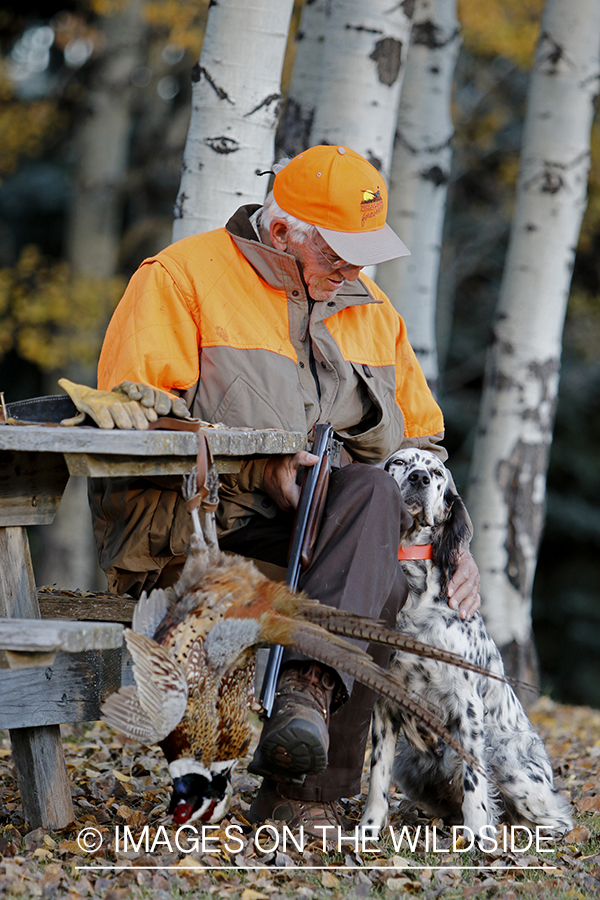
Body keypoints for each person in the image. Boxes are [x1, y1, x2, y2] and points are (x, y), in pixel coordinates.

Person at [89, 145, 481, 833]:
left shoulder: (373, 309)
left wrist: (456, 542)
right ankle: (306, 797)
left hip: (329, 522)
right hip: (206, 522)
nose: (353, 270)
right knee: (379, 581)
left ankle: (304, 693)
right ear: (281, 234)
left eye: (363, 254)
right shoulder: (182, 278)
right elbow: (135, 422)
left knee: (373, 499)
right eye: (337, 255)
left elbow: (420, 444)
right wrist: (254, 466)